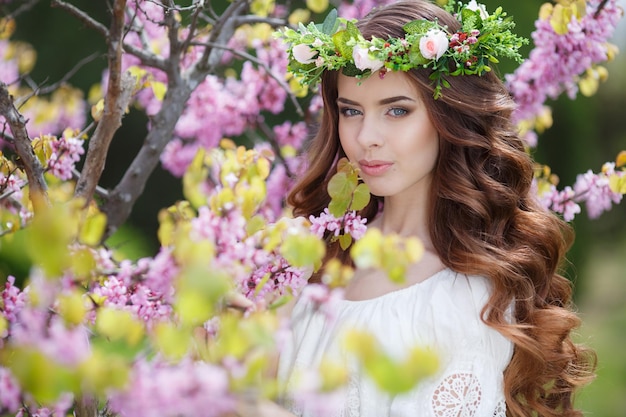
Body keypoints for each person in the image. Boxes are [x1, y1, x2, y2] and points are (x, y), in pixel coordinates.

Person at [234, 1, 597, 416]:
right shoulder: (314, 254)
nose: (366, 136)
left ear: (451, 114)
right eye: (351, 110)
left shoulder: (466, 298)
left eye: (397, 110)